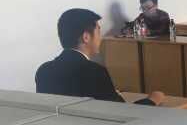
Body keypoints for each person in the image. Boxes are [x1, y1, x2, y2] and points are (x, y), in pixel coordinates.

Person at [36, 8, 164, 105]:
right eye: (98, 31)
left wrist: (110, 93)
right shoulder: (94, 72)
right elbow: (122, 112)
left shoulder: (44, 71)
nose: (100, 37)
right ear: (86, 37)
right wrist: (152, 100)